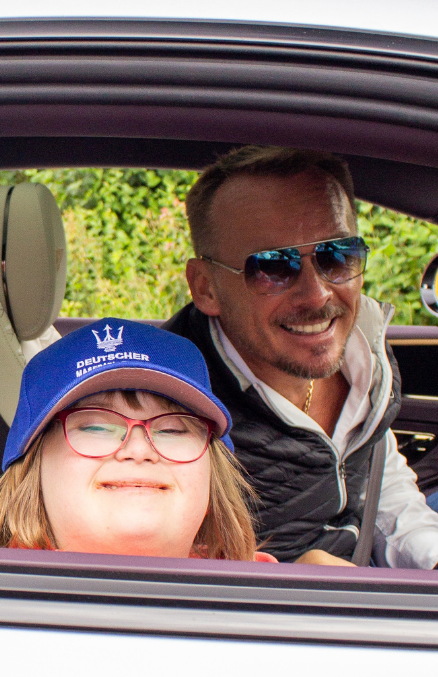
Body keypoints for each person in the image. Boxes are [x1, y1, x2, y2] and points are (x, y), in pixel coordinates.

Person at [165, 145, 438, 568]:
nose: (318, 294)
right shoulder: (166, 407)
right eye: (273, 268)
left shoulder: (364, 343)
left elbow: (380, 481)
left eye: (337, 255)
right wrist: (297, 583)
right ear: (206, 287)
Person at [0, 318, 271, 562]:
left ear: (213, 474)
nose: (138, 449)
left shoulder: (272, 593)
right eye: (96, 428)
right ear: (31, 466)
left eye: (172, 430)